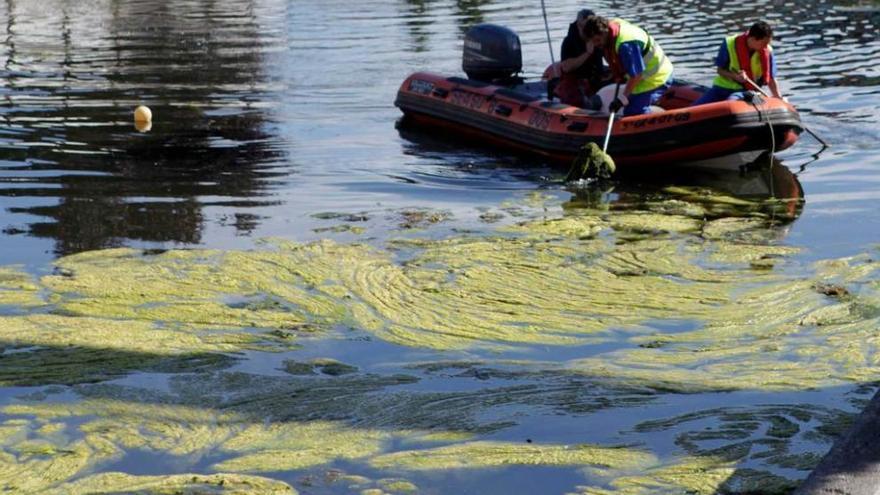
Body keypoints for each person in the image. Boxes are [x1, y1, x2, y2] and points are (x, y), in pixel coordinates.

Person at [580, 15, 674, 116]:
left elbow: (637, 75)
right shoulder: (614, 25)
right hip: (644, 73)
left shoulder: (625, 45)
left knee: (633, 112)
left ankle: (658, 115)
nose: (596, 45)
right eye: (593, 42)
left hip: (657, 77)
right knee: (630, 102)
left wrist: (621, 100)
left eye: (597, 40)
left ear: (604, 32)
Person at [692, 21, 781, 105]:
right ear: (753, 39)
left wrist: (778, 98)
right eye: (763, 43)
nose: (766, 46)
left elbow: (771, 79)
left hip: (745, 92)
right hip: (721, 88)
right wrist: (735, 76)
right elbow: (720, 70)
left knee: (730, 105)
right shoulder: (729, 44)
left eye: (767, 43)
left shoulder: (767, 51)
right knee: (696, 107)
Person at [544, 9, 605, 107]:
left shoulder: (598, 37)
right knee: (577, 98)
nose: (588, 32)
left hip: (595, 77)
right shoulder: (569, 42)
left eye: (591, 28)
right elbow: (566, 67)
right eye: (585, 28)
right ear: (578, 26)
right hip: (575, 80)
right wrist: (587, 53)